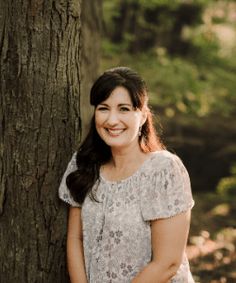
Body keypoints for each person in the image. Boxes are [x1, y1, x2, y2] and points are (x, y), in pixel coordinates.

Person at [59, 66, 195, 283]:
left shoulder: (163, 170)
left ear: (142, 116)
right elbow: (76, 238)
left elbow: (168, 263)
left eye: (124, 109)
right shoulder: (83, 164)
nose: (112, 120)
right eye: (104, 108)